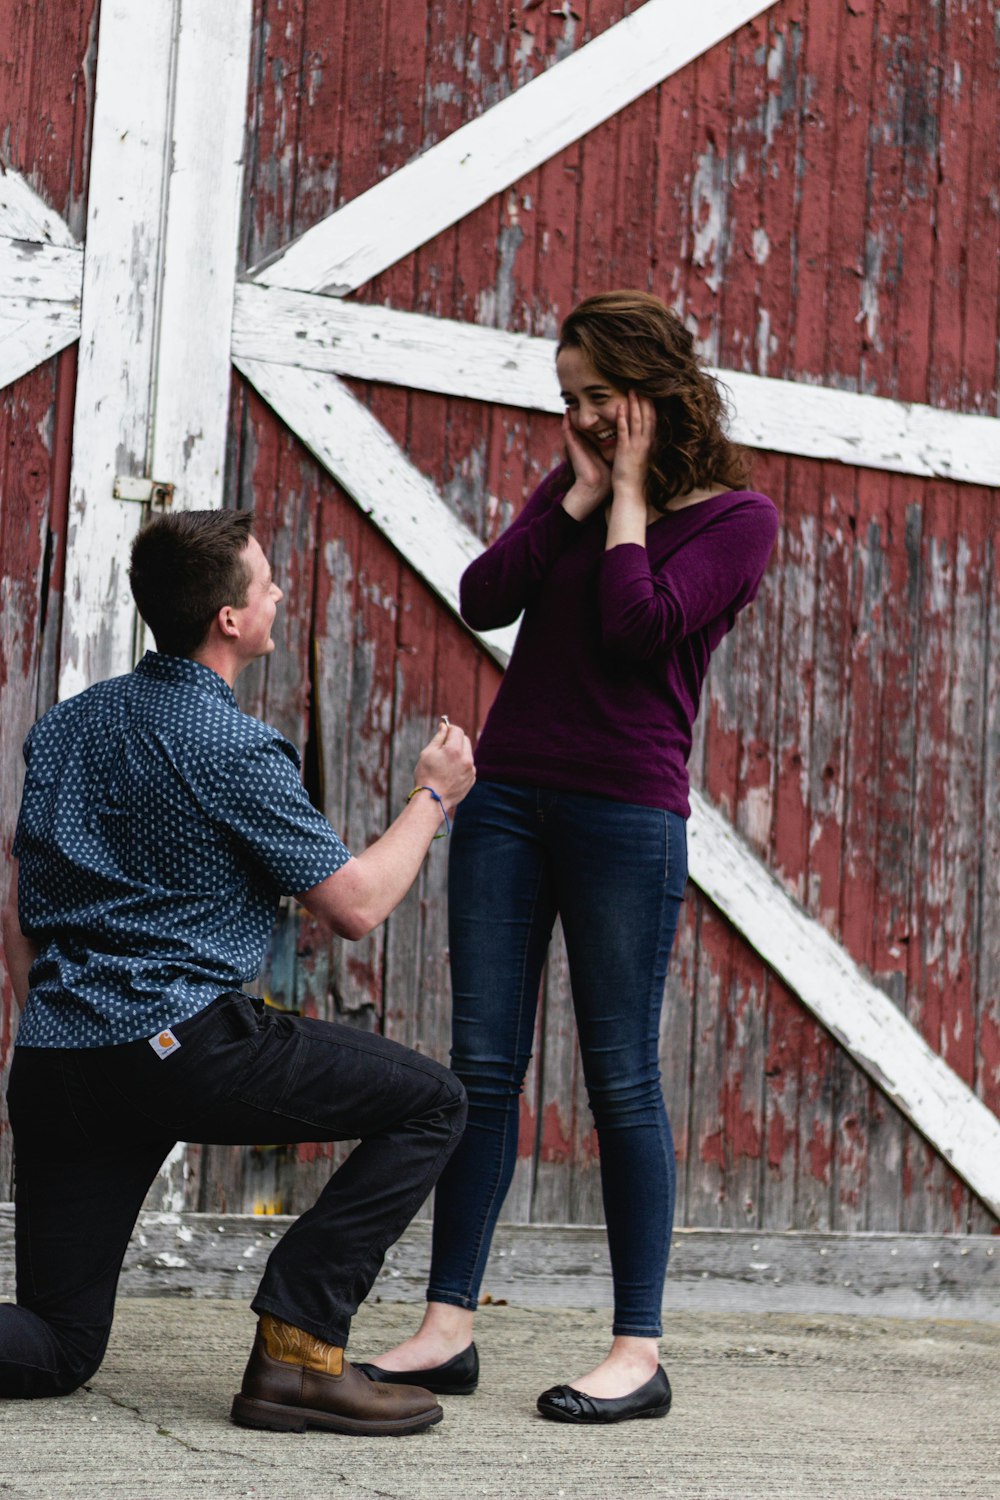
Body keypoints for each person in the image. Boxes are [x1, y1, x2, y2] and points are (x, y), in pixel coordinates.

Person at [357, 291, 779, 1424]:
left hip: (623, 815)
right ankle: (449, 1327)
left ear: (656, 390)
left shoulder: (740, 519)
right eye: (569, 400)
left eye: (598, 397)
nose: (582, 416)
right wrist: (580, 496)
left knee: (620, 1078)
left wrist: (627, 498)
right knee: (480, 1071)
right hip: (509, 803)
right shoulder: (573, 488)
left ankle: (636, 1351)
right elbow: (484, 592)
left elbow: (639, 627)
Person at [0, 508, 476, 1437]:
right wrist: (433, 794)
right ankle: (297, 1357)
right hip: (181, 1045)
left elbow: (17, 902)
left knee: (58, 1345)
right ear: (229, 619)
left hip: (57, 1059)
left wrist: (56, 1019)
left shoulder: (63, 728)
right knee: (435, 1102)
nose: (279, 595)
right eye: (267, 584)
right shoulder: (233, 748)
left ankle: (294, 1362)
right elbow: (355, 906)